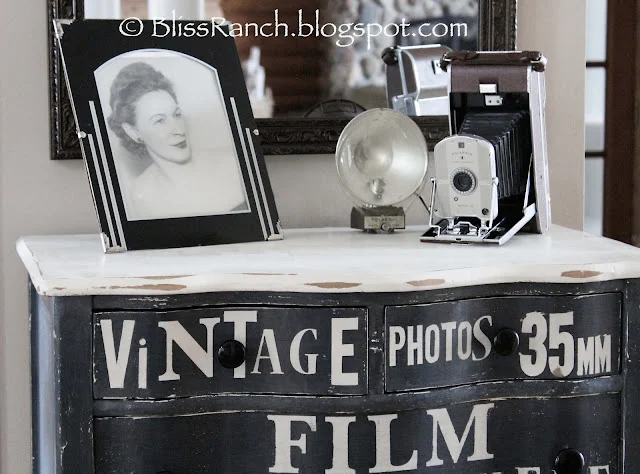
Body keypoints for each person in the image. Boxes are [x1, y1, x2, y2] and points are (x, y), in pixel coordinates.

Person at [107, 61, 248, 220]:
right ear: (133, 131)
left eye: (177, 114)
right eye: (159, 121)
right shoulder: (142, 195)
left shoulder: (232, 164)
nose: (179, 130)